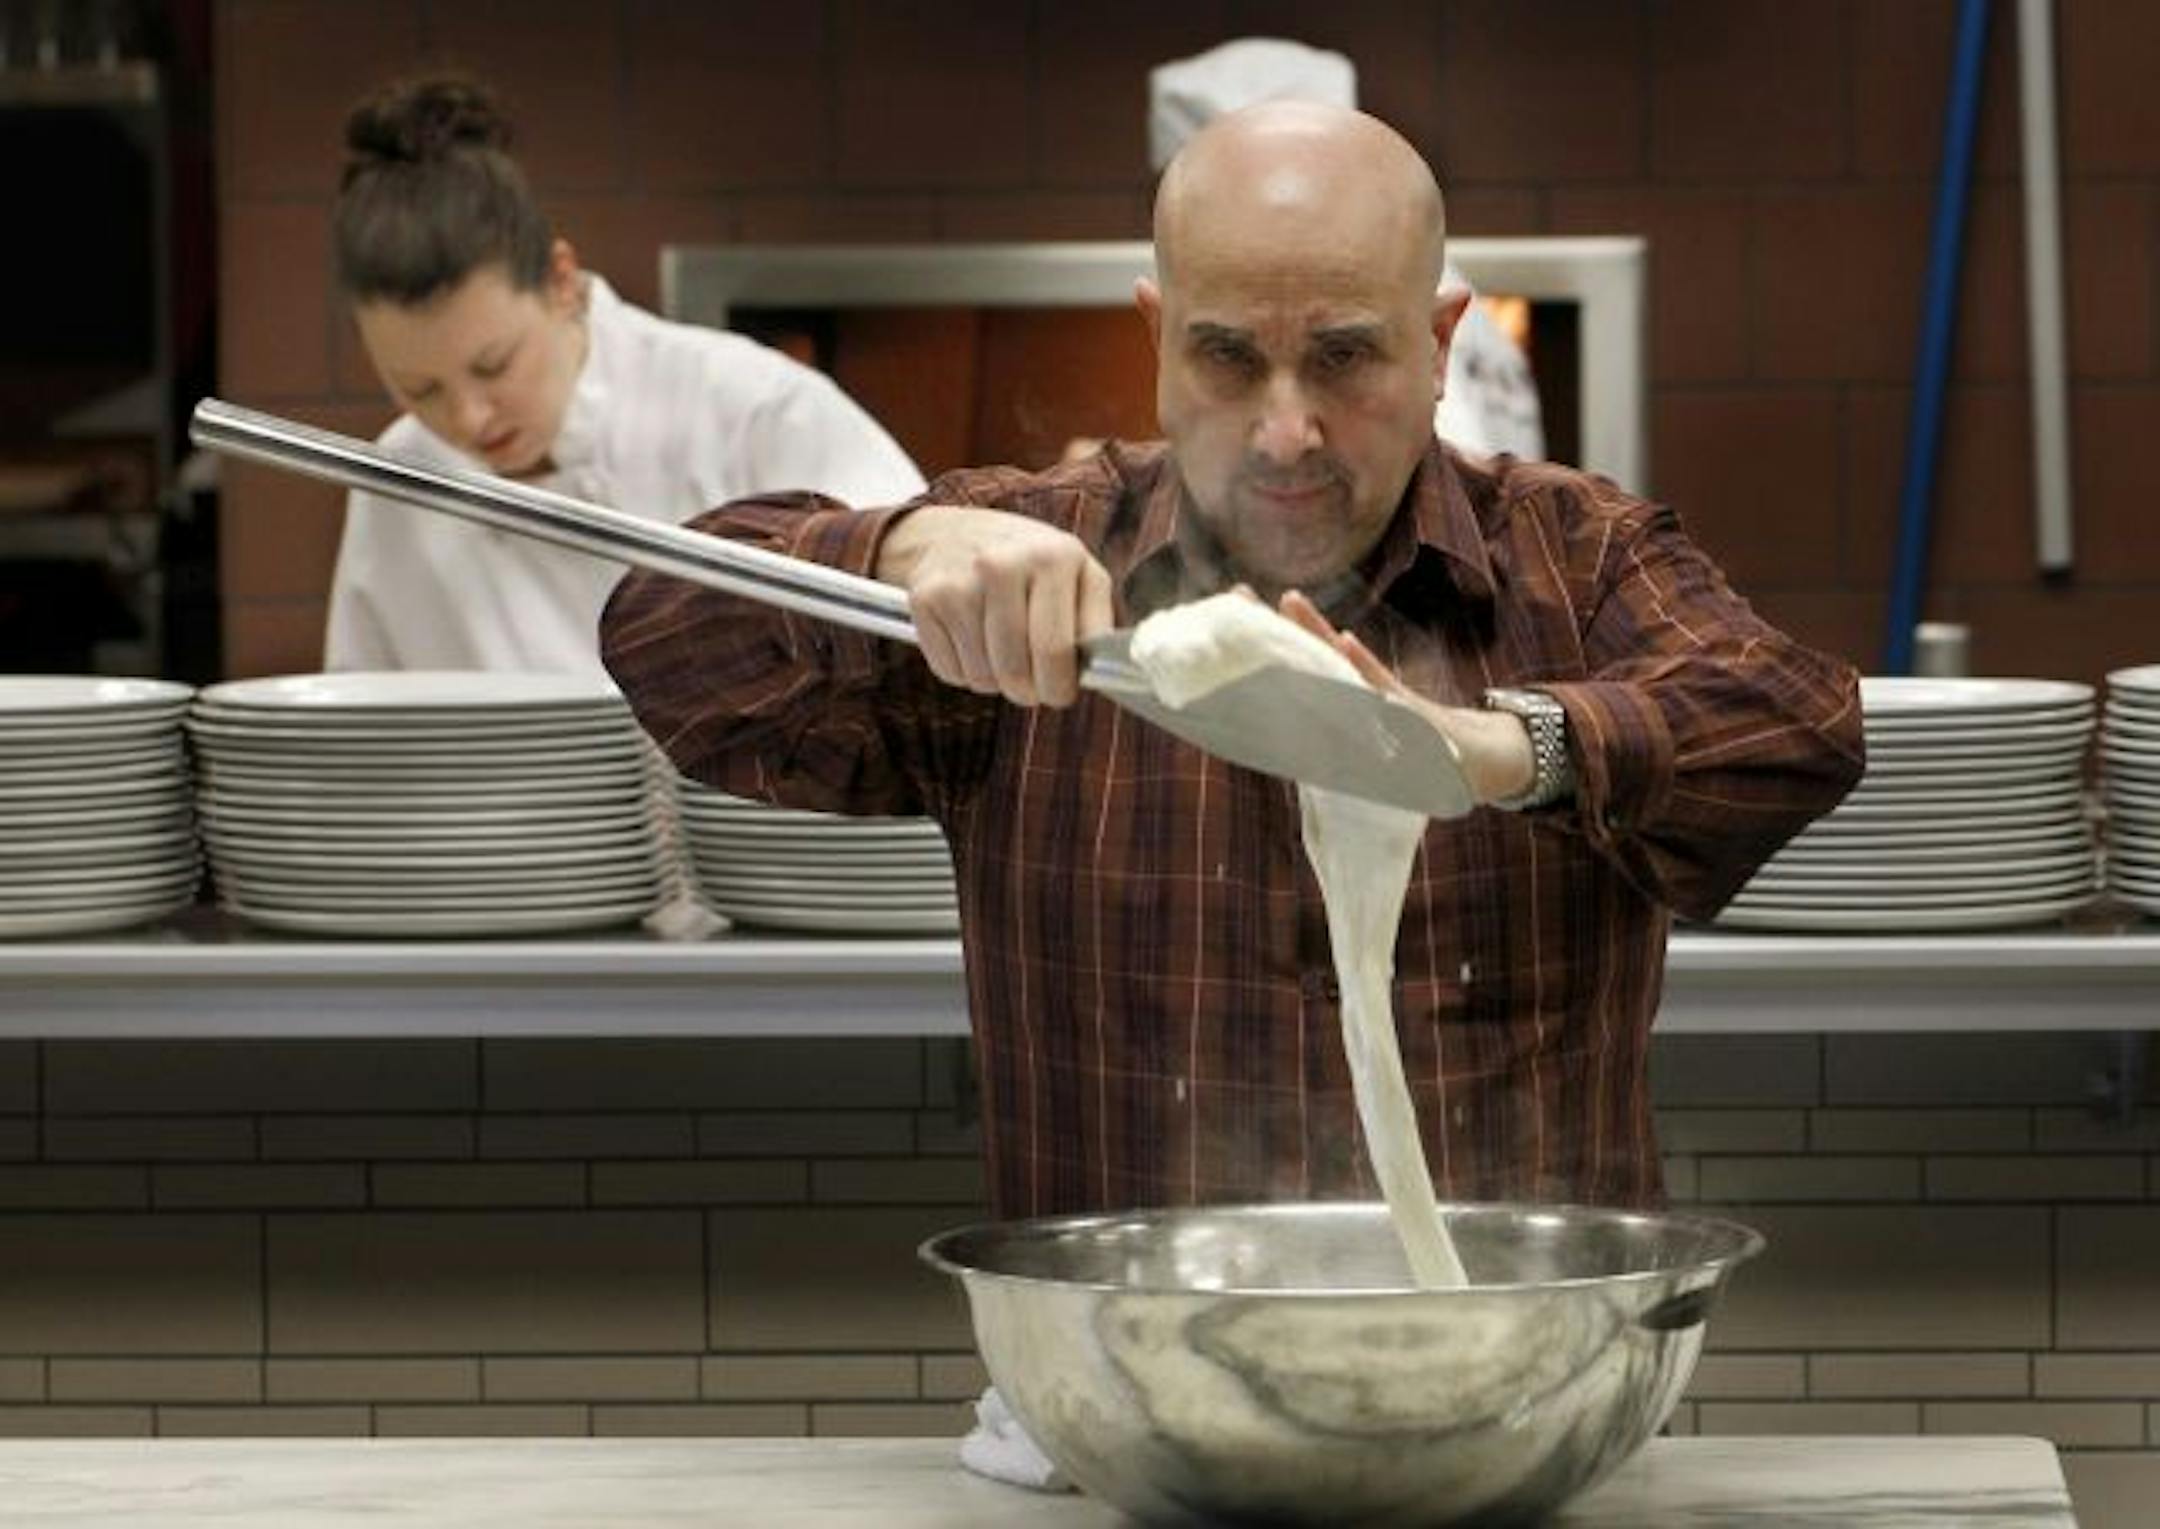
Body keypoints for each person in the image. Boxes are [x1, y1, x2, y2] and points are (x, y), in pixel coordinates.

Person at [600, 101, 1864, 1218]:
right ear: (1156, 336)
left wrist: (1490, 748)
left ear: (1439, 341)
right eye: (1225, 354)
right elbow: (667, 638)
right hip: (1129, 1395)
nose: (1284, 430)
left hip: (1510, 1381)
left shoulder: (1571, 558)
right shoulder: (1044, 566)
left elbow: (1794, 724)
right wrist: (900, 545)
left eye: (1344, 355)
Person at [323, 75, 924, 673]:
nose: (467, 418)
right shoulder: (399, 479)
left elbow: (917, 594)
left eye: (494, 365)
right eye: (419, 389)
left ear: (561, 281)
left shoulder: (751, 407)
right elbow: (354, 731)